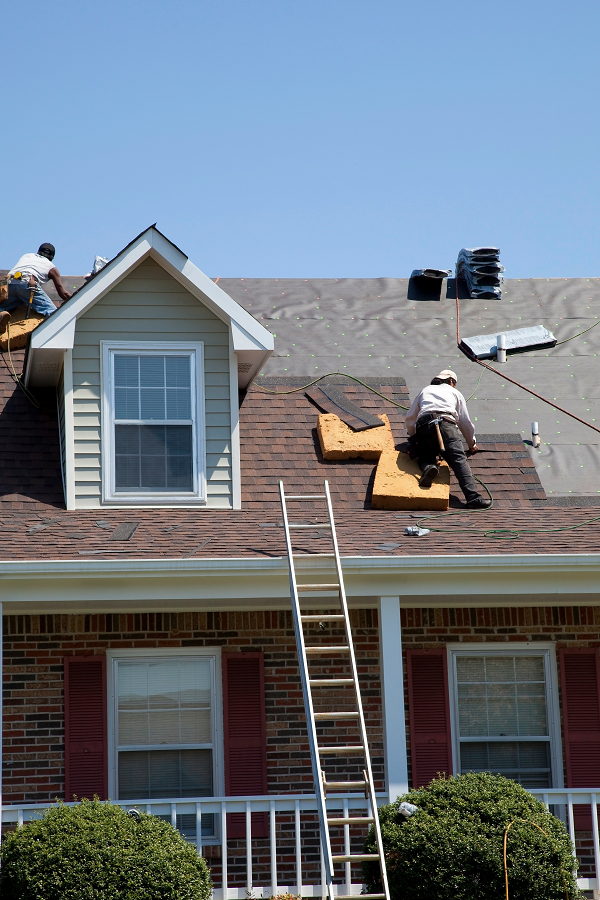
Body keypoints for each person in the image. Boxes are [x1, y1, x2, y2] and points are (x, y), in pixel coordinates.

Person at [405, 369, 492, 510]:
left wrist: (414, 436)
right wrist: (472, 444)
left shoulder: (425, 390)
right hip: (446, 424)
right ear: (451, 381)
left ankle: (429, 467)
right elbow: (465, 423)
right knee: (458, 459)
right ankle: (473, 498)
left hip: (423, 425)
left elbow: (410, 418)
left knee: (424, 455)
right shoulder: (455, 393)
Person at [1, 244, 72, 332]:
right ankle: (54, 334)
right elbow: (63, 293)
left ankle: (1, 314)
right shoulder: (51, 267)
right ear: (52, 256)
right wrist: (74, 300)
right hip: (28, 285)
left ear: (38, 251)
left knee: (6, 306)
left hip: (11, 284)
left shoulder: (27, 256)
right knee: (52, 312)